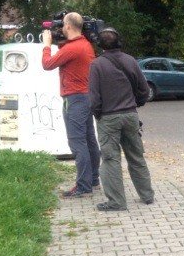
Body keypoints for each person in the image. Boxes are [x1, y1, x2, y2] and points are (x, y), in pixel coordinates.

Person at [88, 27, 155, 211]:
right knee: (136, 156)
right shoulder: (130, 61)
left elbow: (94, 98)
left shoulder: (96, 65)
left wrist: (98, 113)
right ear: (120, 41)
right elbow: (144, 90)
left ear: (100, 45)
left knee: (111, 159)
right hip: (130, 115)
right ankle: (147, 195)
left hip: (108, 117)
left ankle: (116, 202)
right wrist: (135, 104)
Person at [41, 12, 101, 197]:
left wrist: (46, 46)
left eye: (62, 26)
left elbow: (48, 64)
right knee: (90, 139)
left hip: (74, 99)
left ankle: (83, 186)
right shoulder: (85, 45)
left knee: (77, 142)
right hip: (87, 96)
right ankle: (93, 178)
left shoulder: (72, 49)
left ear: (67, 26)